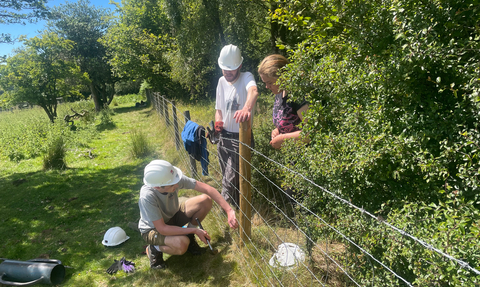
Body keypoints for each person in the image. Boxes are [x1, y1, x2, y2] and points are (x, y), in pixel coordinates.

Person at [138, 160, 238, 269]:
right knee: (181, 244)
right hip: (153, 229)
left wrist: (229, 210)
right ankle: (154, 248)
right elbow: (162, 228)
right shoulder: (147, 197)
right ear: (157, 187)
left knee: (205, 201)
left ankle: (190, 239)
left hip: (173, 215)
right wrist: (195, 230)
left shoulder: (171, 179)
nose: (177, 184)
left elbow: (207, 189)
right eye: (172, 184)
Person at [215, 44, 258, 207]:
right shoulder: (220, 82)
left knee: (229, 179)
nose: (227, 73)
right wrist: (218, 123)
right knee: (227, 174)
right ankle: (237, 207)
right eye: (224, 69)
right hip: (223, 136)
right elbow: (218, 108)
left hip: (240, 138)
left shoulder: (247, 76)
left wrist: (246, 108)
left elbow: (253, 91)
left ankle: (223, 209)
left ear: (239, 66)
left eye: (231, 69)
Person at [258, 54, 309, 149]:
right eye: (265, 83)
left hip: (308, 158)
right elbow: (290, 122)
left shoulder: (298, 96)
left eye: (269, 82)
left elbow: (313, 132)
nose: (267, 87)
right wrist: (278, 130)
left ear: (282, 78)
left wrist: (284, 138)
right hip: (291, 158)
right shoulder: (279, 93)